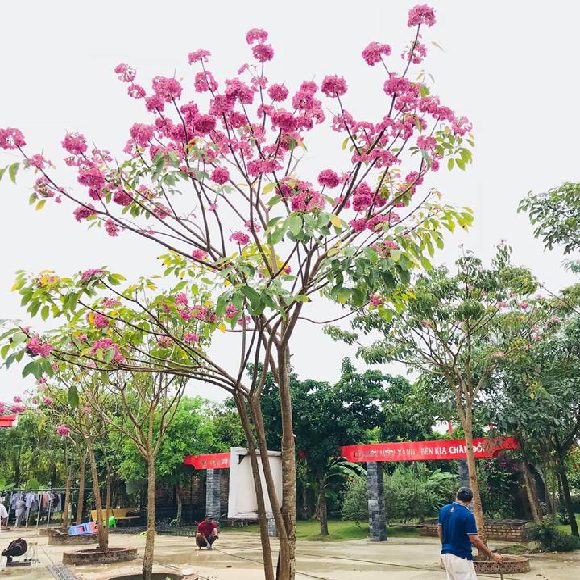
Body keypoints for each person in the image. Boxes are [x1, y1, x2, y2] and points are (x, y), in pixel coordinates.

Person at [438, 487, 502, 579]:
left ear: (457, 496)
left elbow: (439, 530)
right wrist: (492, 555)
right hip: (461, 557)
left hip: (446, 554)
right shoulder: (467, 515)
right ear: (470, 501)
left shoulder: (444, 510)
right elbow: (474, 540)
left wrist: (445, 545)